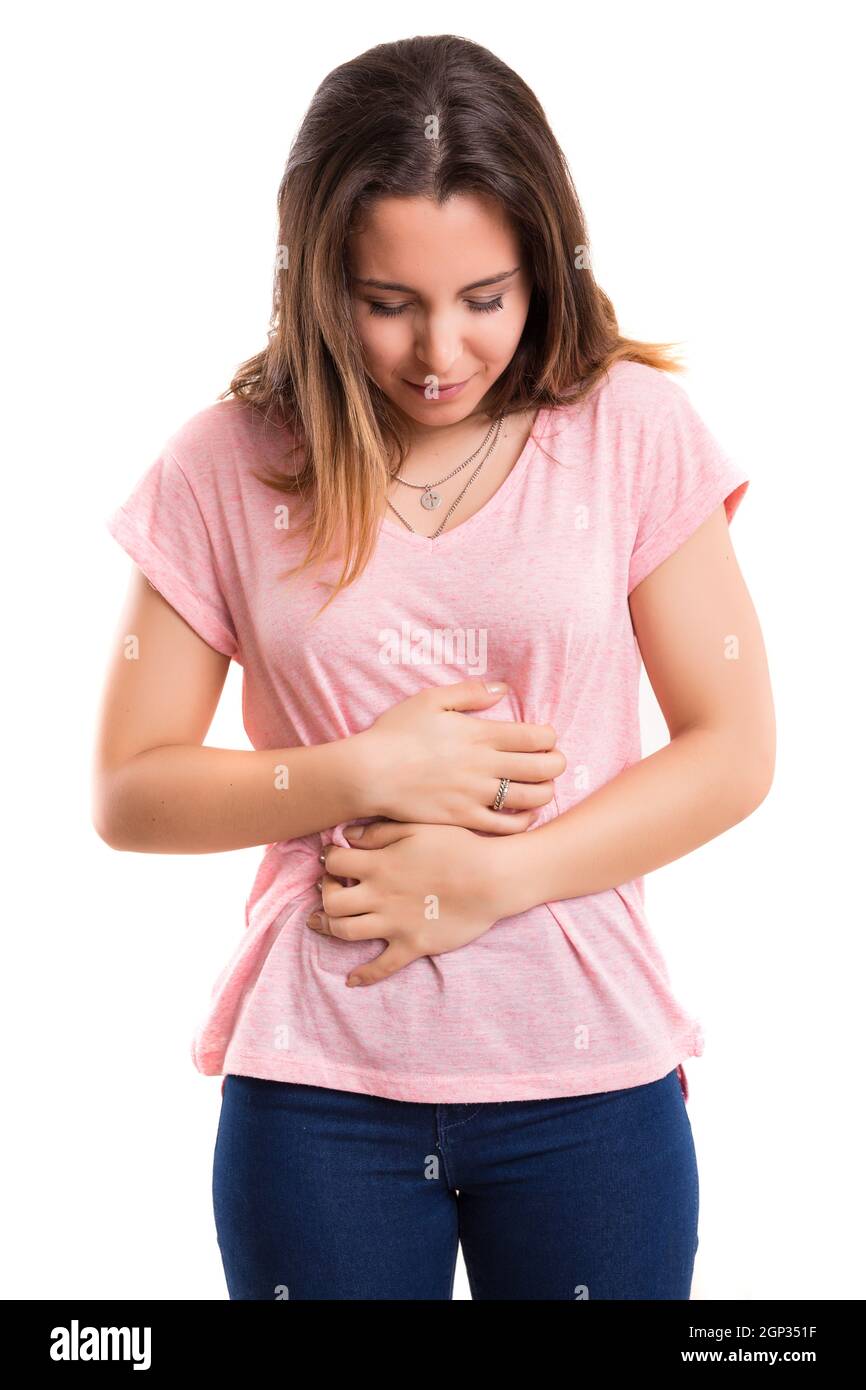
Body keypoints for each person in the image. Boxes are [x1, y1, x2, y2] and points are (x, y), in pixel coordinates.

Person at [93, 34, 775, 1300]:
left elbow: (732, 747)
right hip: (318, 1088)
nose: (439, 354)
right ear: (314, 281)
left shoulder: (629, 433)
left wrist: (493, 880)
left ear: (545, 269)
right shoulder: (222, 464)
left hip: (586, 1080)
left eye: (485, 298)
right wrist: (362, 765)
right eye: (387, 301)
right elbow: (129, 791)